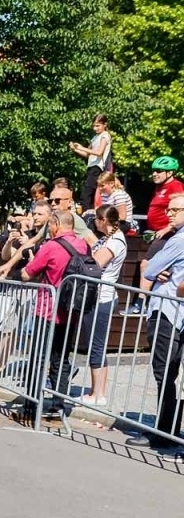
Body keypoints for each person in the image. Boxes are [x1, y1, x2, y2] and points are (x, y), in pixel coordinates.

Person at [20, 210, 87, 419]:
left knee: (38, 359)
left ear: (56, 224)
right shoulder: (83, 245)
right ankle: (58, 406)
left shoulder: (51, 246)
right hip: (71, 312)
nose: (49, 229)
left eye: (50, 225)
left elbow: (26, 274)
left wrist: (31, 259)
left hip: (47, 310)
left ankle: (31, 407)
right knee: (61, 359)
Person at [130, 194, 184, 450]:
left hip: (168, 311)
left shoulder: (179, 239)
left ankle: (163, 432)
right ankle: (169, 429)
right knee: (171, 374)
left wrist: (158, 269)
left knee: (164, 374)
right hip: (176, 313)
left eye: (175, 210)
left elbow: (150, 270)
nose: (170, 214)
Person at [86, 205, 129, 408]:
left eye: (96, 218)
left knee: (97, 344)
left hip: (103, 296)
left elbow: (97, 263)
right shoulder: (107, 239)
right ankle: (96, 390)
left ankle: (99, 393)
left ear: (103, 220)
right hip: (98, 296)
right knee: (95, 343)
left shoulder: (116, 241)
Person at [69, 114, 114, 211]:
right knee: (87, 193)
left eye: (98, 126)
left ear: (105, 125)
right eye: (94, 126)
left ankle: (87, 213)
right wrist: (76, 149)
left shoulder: (105, 136)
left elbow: (99, 152)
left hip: (98, 168)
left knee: (87, 193)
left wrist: (82, 147)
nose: (95, 128)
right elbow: (87, 154)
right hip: (91, 167)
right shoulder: (95, 138)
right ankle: (87, 211)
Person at [145, 156, 183, 244]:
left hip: (167, 235)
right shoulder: (160, 187)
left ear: (169, 173)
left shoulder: (176, 186)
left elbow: (180, 211)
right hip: (156, 233)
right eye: (153, 171)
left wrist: (167, 229)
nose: (154, 174)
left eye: (158, 171)